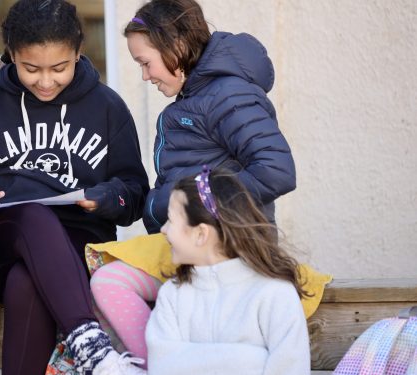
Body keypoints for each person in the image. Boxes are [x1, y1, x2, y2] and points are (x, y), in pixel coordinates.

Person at [90, 0, 297, 363]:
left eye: (145, 62)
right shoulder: (197, 100)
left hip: (223, 252)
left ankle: (156, 366)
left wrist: (205, 209)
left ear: (177, 46)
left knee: (110, 280)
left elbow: (275, 169)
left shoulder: (228, 96)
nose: (144, 76)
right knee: (101, 274)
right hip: (192, 249)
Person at [0, 0, 150, 373]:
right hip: (2, 242)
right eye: (31, 68)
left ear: (78, 53)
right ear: (12, 55)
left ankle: (84, 341)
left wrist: (107, 197)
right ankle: (90, 343)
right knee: (31, 213)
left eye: (59, 68)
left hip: (78, 250)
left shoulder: (107, 107)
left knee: (27, 280)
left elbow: (135, 193)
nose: (45, 81)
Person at [147, 168, 310, 374]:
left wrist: (188, 361)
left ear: (200, 234)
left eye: (170, 220)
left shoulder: (275, 294)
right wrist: (252, 360)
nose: (163, 229)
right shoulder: (172, 294)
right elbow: (162, 368)